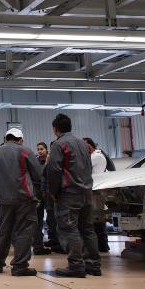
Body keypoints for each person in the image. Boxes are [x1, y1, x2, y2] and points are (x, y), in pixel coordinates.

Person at [47, 114, 101, 277]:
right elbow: (88, 167)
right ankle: (94, 265)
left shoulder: (59, 144)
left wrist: (53, 192)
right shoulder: (83, 144)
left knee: (69, 228)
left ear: (55, 129)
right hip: (86, 192)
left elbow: (55, 170)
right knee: (87, 229)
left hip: (69, 194)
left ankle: (76, 266)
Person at [0, 128, 42, 276]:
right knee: (24, 231)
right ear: (21, 140)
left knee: (3, 230)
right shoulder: (25, 151)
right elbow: (38, 175)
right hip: (24, 198)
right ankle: (20, 265)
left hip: (2, 198)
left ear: (5, 138)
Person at [83, 137, 110, 253]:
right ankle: (101, 245)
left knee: (98, 218)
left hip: (98, 191)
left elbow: (83, 166)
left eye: (84, 146)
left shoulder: (96, 156)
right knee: (95, 219)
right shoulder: (92, 156)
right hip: (94, 190)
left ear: (90, 145)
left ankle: (103, 245)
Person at [32, 142, 52, 255]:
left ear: (46, 149)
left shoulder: (51, 160)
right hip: (38, 193)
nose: (40, 151)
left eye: (42, 149)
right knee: (38, 220)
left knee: (51, 219)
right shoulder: (35, 161)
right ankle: (38, 245)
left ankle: (54, 241)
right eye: (38, 149)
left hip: (49, 193)